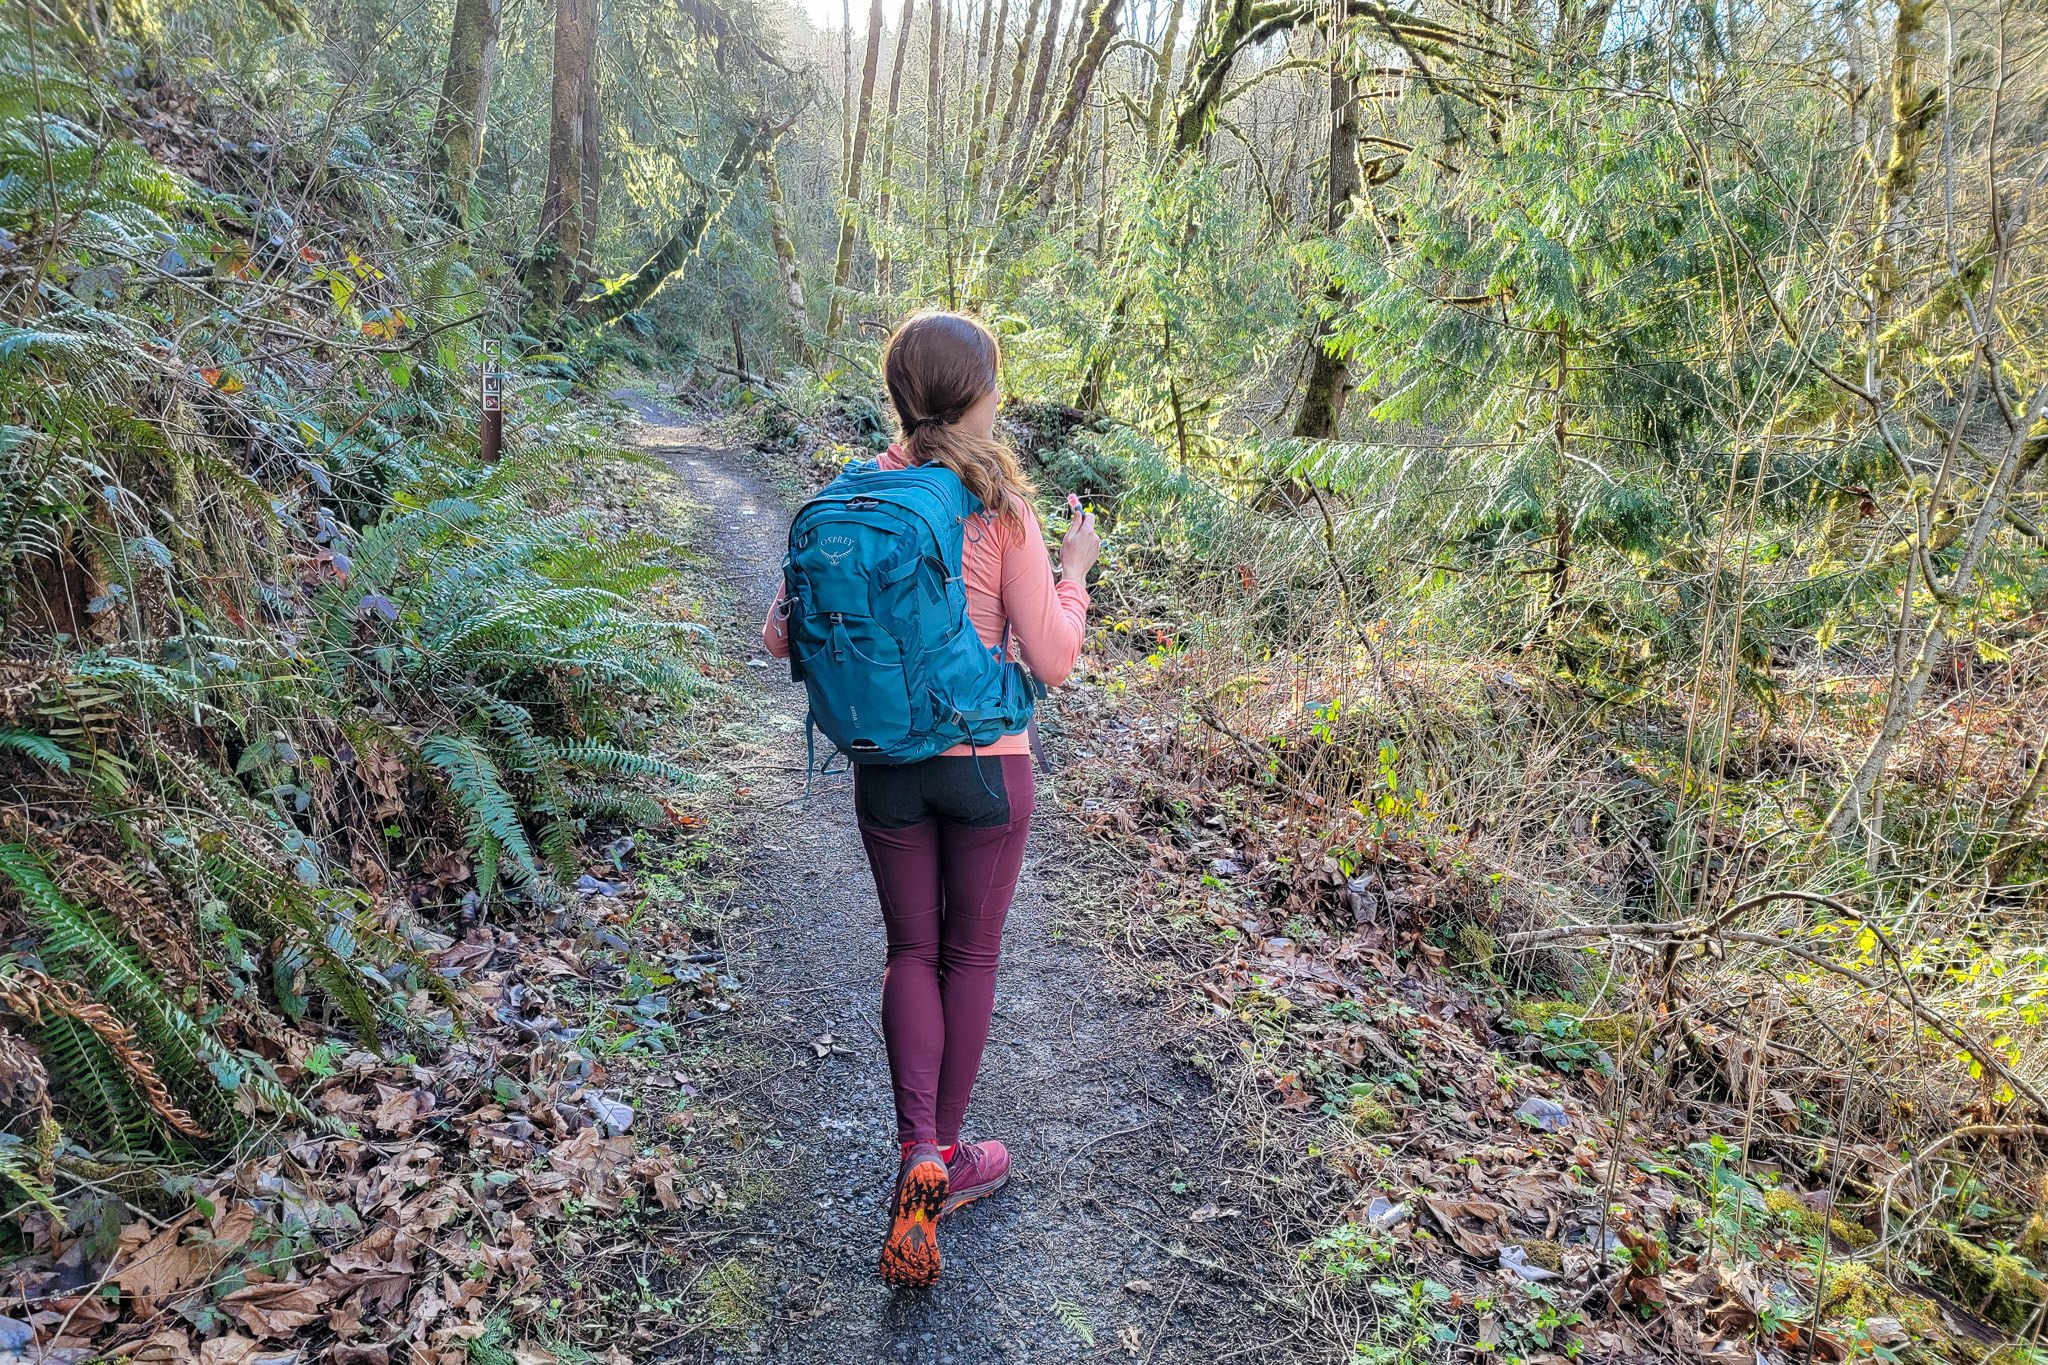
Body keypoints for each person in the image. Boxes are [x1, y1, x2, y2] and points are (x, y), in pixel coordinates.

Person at [761, 311, 1101, 1287]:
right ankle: (946, 1163)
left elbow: (780, 637)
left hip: (887, 766)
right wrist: (1073, 576)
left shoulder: (851, 496)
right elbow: (1054, 660)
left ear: (896, 397)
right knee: (969, 953)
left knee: (909, 950)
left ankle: (916, 1149)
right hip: (987, 765)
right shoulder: (997, 507)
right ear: (983, 396)